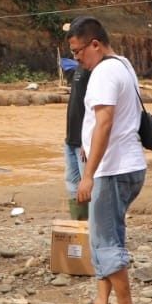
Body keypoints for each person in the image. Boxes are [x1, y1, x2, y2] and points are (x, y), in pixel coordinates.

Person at [68, 16, 146, 304]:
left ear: (95, 44)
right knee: (106, 233)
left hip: (113, 170)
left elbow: (104, 123)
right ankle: (102, 302)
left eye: (78, 51)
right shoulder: (123, 64)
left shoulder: (102, 72)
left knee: (105, 239)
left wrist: (88, 176)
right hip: (126, 164)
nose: (76, 59)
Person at [63, 30, 92, 221]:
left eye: (77, 51)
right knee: (73, 185)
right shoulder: (78, 69)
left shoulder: (95, 71)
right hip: (71, 139)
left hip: (84, 142)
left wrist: (87, 140)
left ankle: (94, 231)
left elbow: (98, 111)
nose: (74, 56)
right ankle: (80, 227)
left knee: (87, 186)